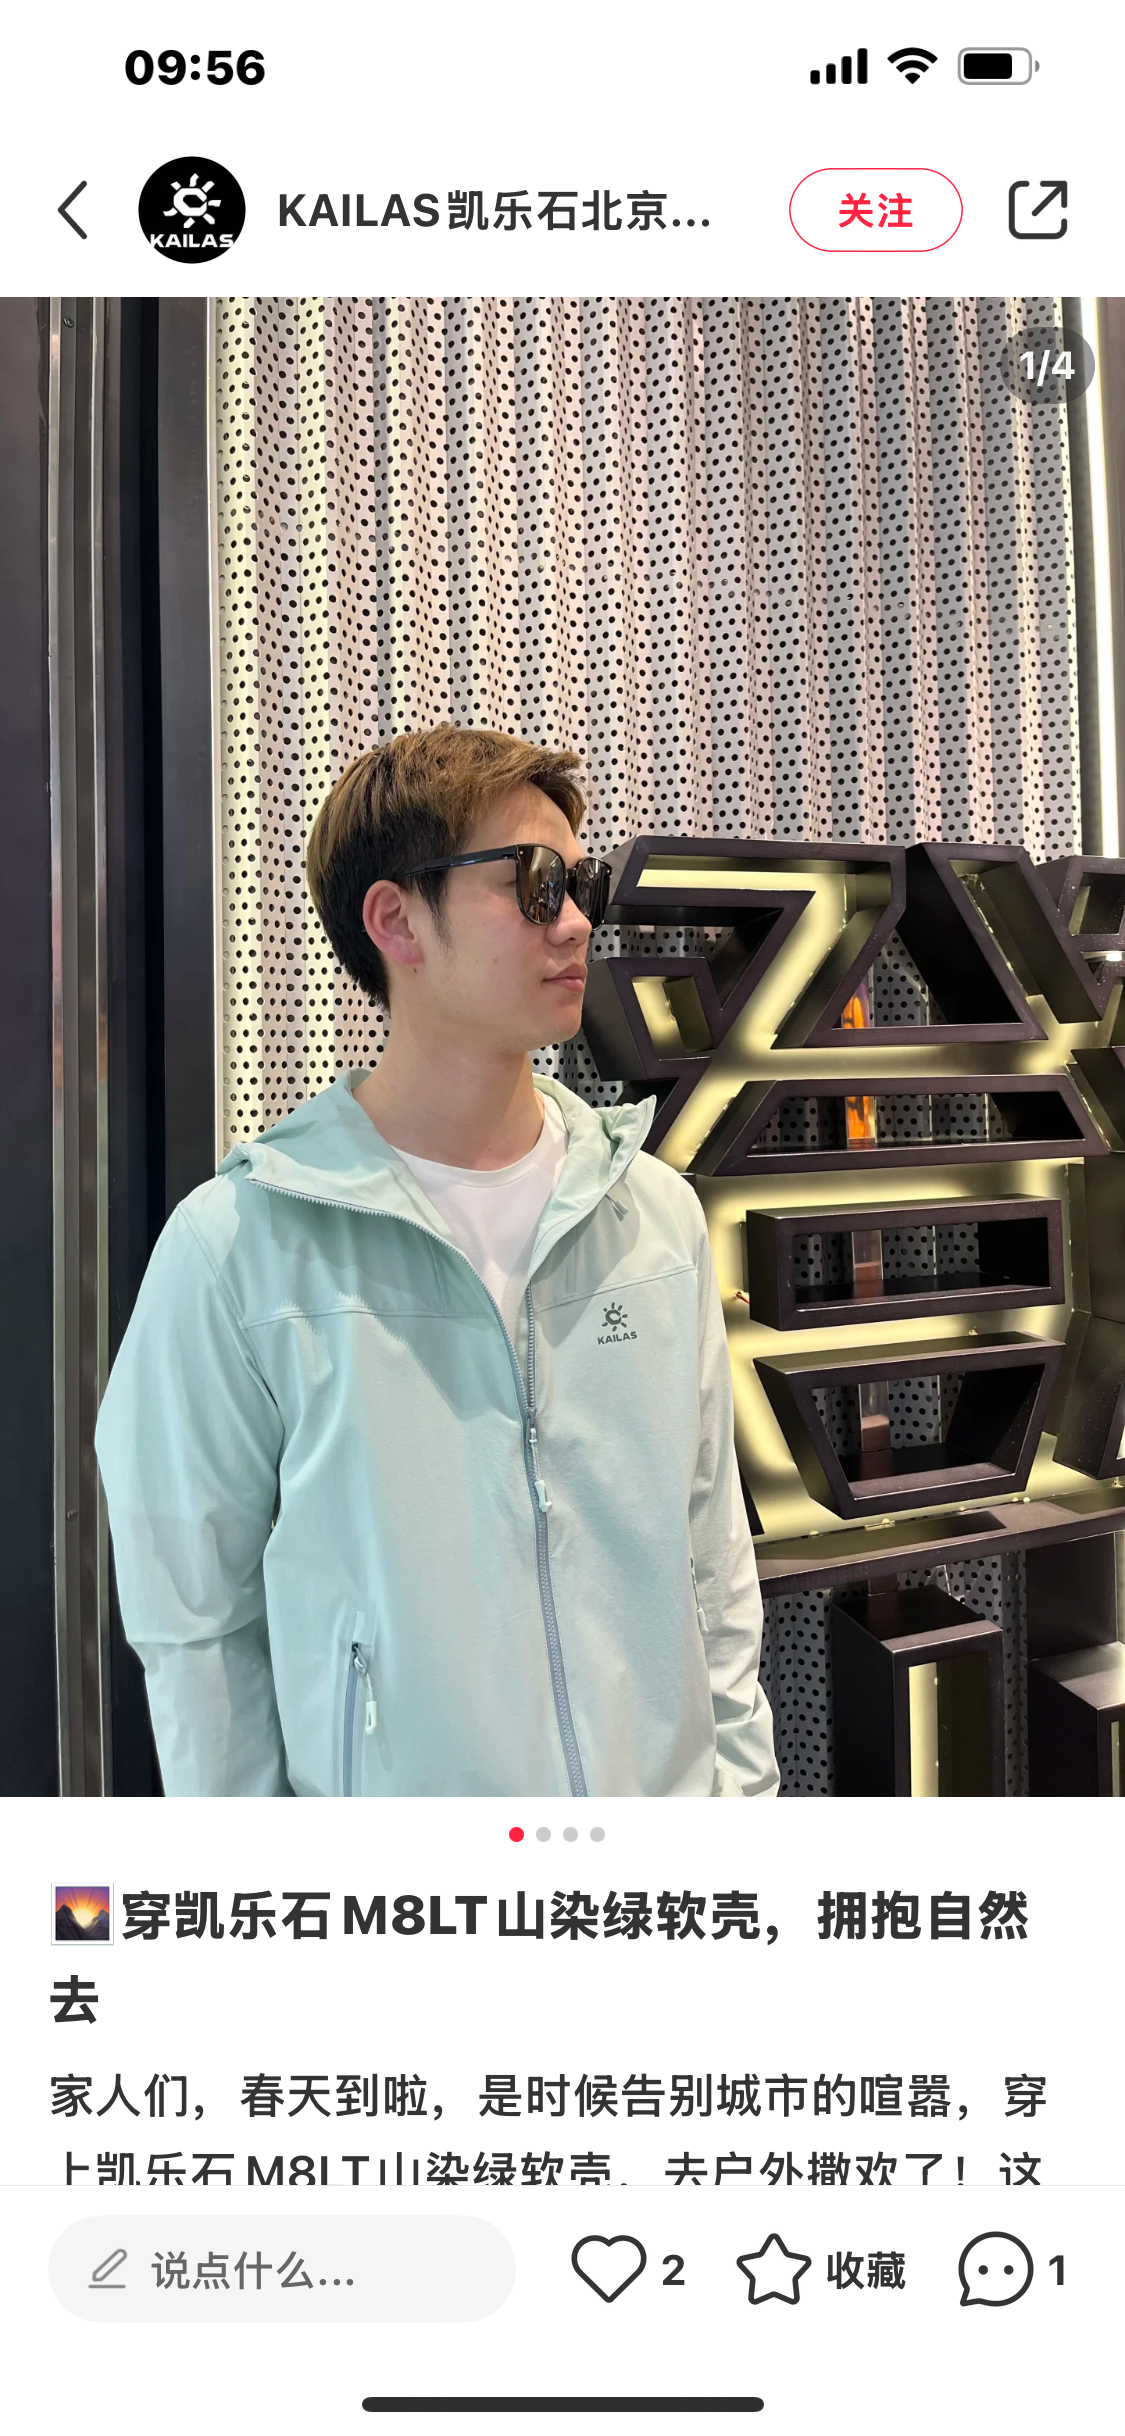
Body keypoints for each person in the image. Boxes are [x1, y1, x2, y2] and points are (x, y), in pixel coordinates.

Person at [94, 725, 778, 1799]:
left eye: (582, 883)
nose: (577, 921)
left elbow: (714, 1566)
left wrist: (741, 1811)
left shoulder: (654, 1215)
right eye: (535, 883)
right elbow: (196, 1634)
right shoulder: (239, 1249)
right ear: (395, 920)